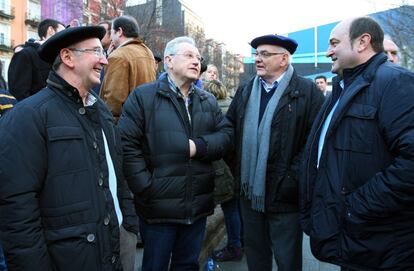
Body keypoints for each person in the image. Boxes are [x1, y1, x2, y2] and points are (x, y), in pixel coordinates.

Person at [0, 25, 137, 270]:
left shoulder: (102, 112)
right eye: (96, 51)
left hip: (114, 251)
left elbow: (119, 178)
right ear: (67, 57)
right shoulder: (28, 116)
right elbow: (17, 209)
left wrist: (128, 225)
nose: (104, 60)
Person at [300, 17, 414, 270]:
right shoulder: (342, 88)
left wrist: (355, 206)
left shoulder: (396, 83)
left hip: (383, 245)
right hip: (354, 240)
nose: (328, 51)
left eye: (333, 43)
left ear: (362, 42)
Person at [117, 36, 232, 271]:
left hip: (196, 206)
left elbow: (226, 138)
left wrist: (198, 147)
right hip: (158, 208)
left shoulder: (207, 100)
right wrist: (146, 186)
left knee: (187, 265)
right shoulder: (143, 97)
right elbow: (127, 145)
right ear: (168, 60)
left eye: (198, 58)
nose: (196, 61)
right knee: (155, 265)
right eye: (189, 55)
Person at [226, 34, 324, 271]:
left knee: (287, 260)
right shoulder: (246, 90)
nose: (258, 59)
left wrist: (292, 180)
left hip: (285, 197)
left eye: (265, 54)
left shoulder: (307, 92)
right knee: (256, 257)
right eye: (256, 54)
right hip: (250, 194)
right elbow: (230, 129)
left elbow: (315, 142)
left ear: (284, 59)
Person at [204, 79, 244, 262]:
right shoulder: (233, 106)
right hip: (238, 165)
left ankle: (235, 245)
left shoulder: (210, 112)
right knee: (236, 208)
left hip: (223, 168)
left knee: (229, 208)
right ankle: (241, 242)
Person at [100, 15, 156, 121]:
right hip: (146, 120)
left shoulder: (118, 56)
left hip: (124, 124)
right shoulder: (148, 52)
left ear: (119, 31)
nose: (111, 37)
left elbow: (114, 100)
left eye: (111, 32)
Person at [7, 18, 65, 101]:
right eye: (62, 32)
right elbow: (19, 93)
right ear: (51, 30)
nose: (64, 36)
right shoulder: (25, 54)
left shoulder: (58, 57)